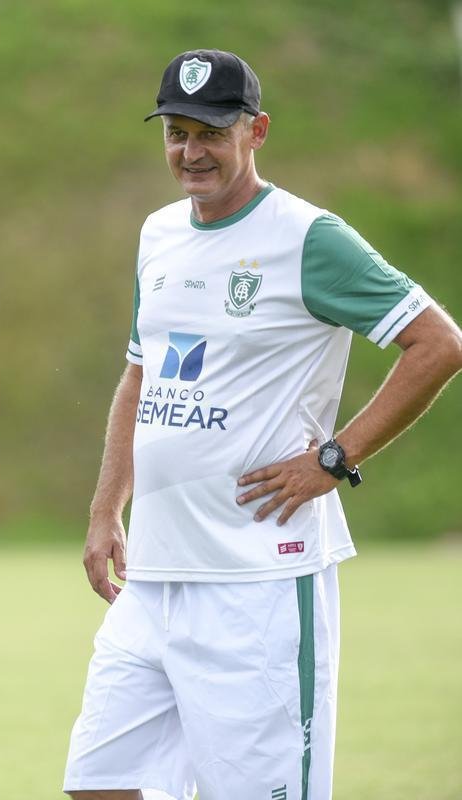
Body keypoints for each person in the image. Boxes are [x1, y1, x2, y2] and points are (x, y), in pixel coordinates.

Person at [63, 50, 462, 800]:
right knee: (101, 783)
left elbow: (438, 344)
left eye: (211, 131)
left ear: (257, 131)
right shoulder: (158, 234)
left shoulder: (308, 238)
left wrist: (335, 457)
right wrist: (104, 506)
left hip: (259, 582)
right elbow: (140, 374)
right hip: (153, 577)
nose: (191, 151)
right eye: (176, 132)